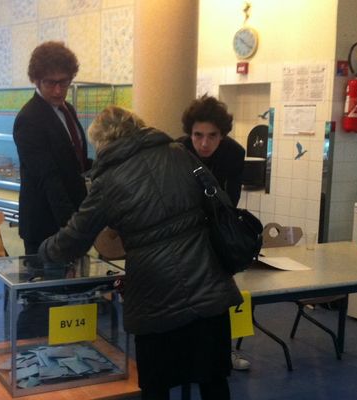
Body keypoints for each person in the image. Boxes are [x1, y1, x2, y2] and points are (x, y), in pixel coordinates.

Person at [39, 106, 242, 400]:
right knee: (213, 381)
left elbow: (75, 237)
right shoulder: (178, 153)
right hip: (207, 286)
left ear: (102, 142)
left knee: (156, 386)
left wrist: (43, 252)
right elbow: (220, 203)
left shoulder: (107, 182)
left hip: (155, 297)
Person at [178, 94, 250, 371]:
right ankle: (186, 352)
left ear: (223, 135)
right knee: (186, 297)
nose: (204, 143)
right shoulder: (177, 150)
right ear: (190, 133)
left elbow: (230, 201)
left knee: (220, 298)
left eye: (212, 136)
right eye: (198, 135)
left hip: (217, 232)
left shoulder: (234, 153)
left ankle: (223, 351)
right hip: (184, 234)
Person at [13, 41, 90, 255]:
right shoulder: (29, 119)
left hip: (72, 217)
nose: (58, 90)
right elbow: (49, 178)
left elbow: (76, 160)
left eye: (64, 83)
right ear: (36, 80)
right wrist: (72, 227)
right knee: (47, 287)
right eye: (50, 83)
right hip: (46, 224)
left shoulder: (68, 110)